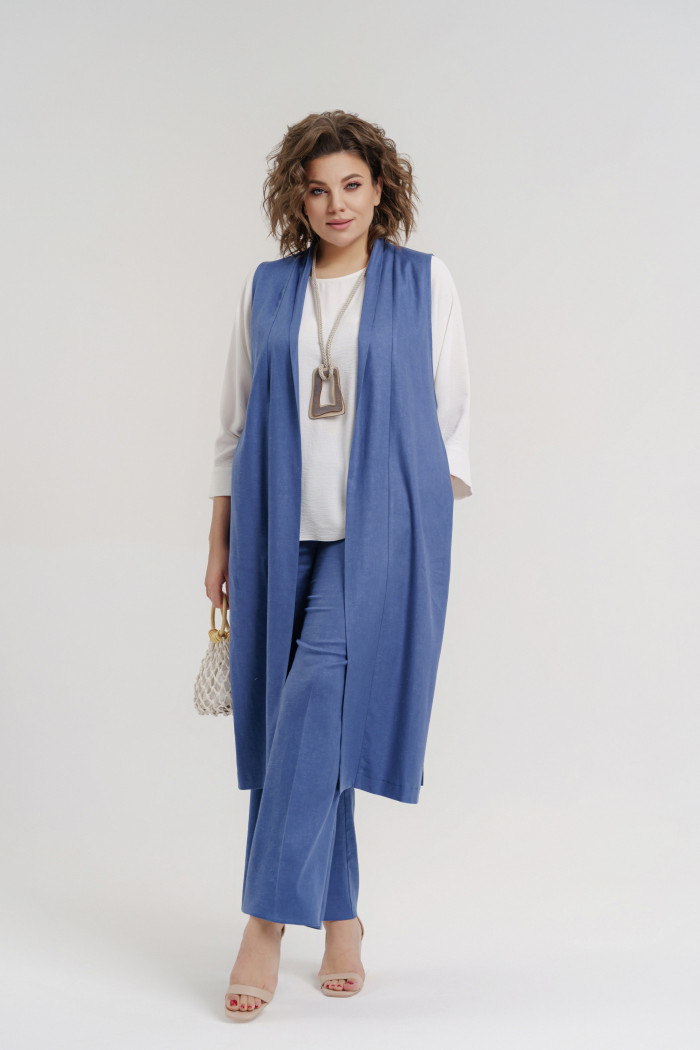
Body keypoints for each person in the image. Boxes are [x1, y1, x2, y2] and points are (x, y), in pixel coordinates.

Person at [204, 109, 472, 1021]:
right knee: (299, 727)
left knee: (316, 696)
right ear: (298, 199)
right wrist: (219, 539)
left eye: (352, 184)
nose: (336, 204)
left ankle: (264, 922)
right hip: (277, 532)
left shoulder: (423, 282)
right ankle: (342, 914)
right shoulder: (268, 290)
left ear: (380, 188)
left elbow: (451, 419)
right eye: (318, 189)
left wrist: (410, 525)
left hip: (377, 540)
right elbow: (235, 421)